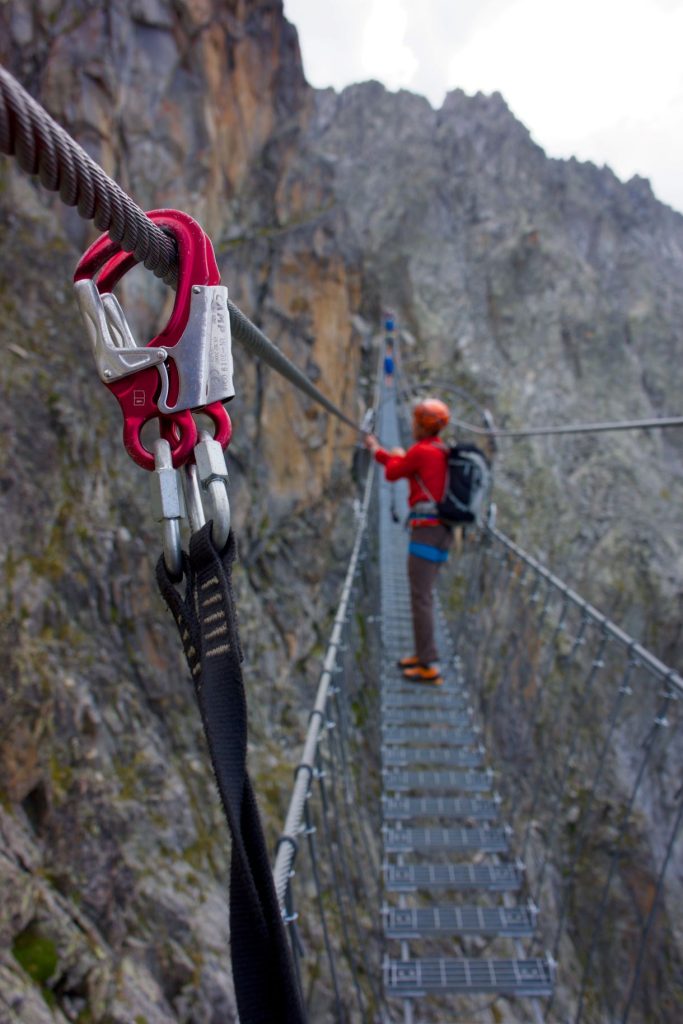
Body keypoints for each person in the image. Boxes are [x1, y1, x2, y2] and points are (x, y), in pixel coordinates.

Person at [365, 398, 452, 685]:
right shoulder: (441, 451)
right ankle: (422, 654)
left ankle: (429, 664)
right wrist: (385, 453)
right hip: (442, 534)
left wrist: (379, 451)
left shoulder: (421, 451)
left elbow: (393, 471)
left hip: (426, 532)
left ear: (421, 424)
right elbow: (401, 464)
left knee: (421, 598)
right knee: (423, 595)